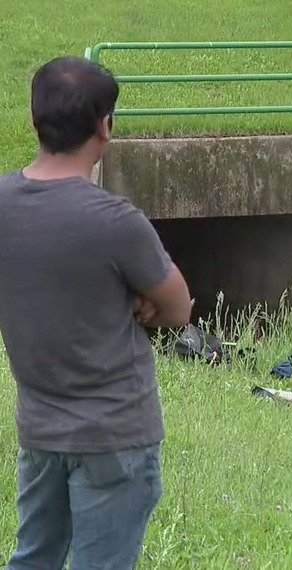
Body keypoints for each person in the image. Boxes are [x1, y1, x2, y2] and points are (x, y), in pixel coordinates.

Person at [0, 56, 193, 569]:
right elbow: (179, 307)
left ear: (33, 119)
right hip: (116, 435)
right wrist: (139, 301)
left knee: (33, 557)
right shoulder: (116, 222)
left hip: (40, 432)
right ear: (106, 127)